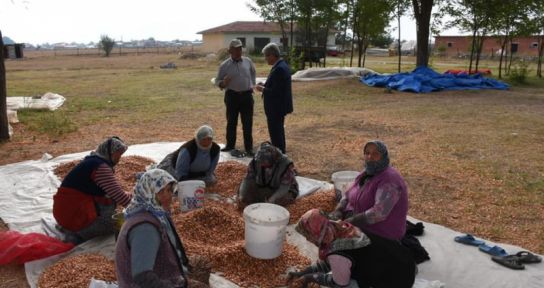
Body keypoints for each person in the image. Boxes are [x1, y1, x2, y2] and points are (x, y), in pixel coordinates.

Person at [115, 169, 210, 288]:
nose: (167, 196)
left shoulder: (157, 214)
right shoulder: (145, 229)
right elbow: (143, 277)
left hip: (164, 276)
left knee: (203, 265)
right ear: (147, 192)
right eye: (160, 191)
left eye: (169, 190)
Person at [289, 209, 416, 288]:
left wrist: (310, 278)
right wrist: (303, 272)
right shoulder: (341, 227)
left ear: (315, 233)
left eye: (308, 235)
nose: (307, 239)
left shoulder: (337, 253)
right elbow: (329, 263)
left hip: (397, 282)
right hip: (405, 263)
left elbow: (339, 283)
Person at [53, 136, 132, 244]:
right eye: (119, 154)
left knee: (109, 202)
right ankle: (78, 234)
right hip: (72, 213)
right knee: (115, 224)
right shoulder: (100, 168)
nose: (120, 158)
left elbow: (112, 193)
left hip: (65, 213)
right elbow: (121, 198)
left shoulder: (93, 161)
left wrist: (127, 195)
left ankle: (73, 228)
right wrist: (142, 210)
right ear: (110, 152)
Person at [330, 140, 409, 241]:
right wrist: (339, 210)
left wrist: (351, 221)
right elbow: (348, 193)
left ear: (384, 156)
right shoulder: (367, 172)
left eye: (375, 154)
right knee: (317, 221)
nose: (370, 157)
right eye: (367, 153)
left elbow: (378, 213)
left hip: (380, 232)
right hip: (358, 222)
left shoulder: (390, 181)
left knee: (334, 247)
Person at [215, 38, 256, 155]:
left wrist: (251, 84)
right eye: (236, 49)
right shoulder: (224, 65)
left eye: (240, 48)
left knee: (248, 123)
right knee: (231, 122)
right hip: (232, 96)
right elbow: (217, 80)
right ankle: (230, 145)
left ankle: (249, 148)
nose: (238, 51)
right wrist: (223, 83)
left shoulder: (248, 61)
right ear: (230, 51)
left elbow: (253, 72)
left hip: (247, 96)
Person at [255, 42, 293, 154]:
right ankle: (280, 154)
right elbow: (276, 85)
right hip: (278, 107)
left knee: (276, 135)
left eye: (266, 56)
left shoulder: (279, 69)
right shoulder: (281, 65)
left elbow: (276, 92)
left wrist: (262, 89)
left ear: (272, 55)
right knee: (279, 132)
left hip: (275, 107)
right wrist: (265, 84)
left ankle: (279, 157)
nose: (265, 59)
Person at [238, 141, 298, 207]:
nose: (261, 165)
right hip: (265, 186)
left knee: (279, 202)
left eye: (265, 163)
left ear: (274, 161)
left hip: (282, 189)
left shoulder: (285, 165)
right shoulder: (256, 161)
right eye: (261, 162)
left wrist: (272, 199)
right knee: (244, 194)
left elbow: (284, 187)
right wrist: (242, 194)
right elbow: (248, 179)